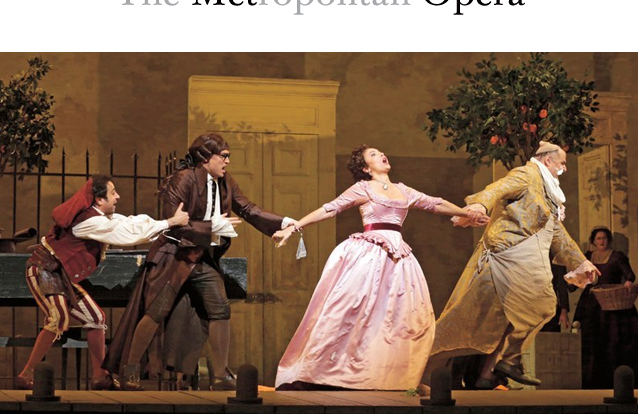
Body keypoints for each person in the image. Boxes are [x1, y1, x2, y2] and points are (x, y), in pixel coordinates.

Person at [272, 145, 489, 391]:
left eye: (381, 152)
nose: (382, 155)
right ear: (365, 168)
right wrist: (295, 226)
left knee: (401, 318)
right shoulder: (362, 188)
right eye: (373, 154)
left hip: (399, 259)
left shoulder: (403, 190)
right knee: (351, 310)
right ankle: (327, 372)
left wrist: (467, 214)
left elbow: (435, 204)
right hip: (369, 255)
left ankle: (394, 377)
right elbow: (330, 208)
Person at [103, 132, 296, 390]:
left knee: (220, 309)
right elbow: (175, 223)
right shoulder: (184, 179)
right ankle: (130, 372)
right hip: (174, 255)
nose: (227, 162)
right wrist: (212, 226)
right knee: (155, 312)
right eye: (223, 156)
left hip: (202, 258)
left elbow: (248, 209)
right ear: (206, 158)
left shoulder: (226, 182)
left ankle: (221, 375)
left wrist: (283, 222)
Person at [422, 141, 600, 390]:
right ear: (548, 160)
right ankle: (436, 369)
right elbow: (497, 188)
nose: (564, 168)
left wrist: (580, 261)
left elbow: (556, 232)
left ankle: (491, 372)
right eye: (562, 163)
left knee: (509, 319)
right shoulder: (526, 175)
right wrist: (479, 205)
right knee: (513, 312)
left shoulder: (548, 192)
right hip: (509, 254)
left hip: (529, 258)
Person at [15, 175, 189, 390]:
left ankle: (100, 376)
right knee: (58, 318)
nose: (118, 196)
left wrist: (168, 224)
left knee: (96, 318)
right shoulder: (89, 221)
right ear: (99, 199)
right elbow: (125, 234)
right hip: (43, 270)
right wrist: (170, 222)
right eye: (113, 192)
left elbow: (130, 223)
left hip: (61, 275)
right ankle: (26, 375)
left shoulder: (101, 217)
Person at [573, 227, 638, 388]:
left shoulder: (617, 256)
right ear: (593, 241)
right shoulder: (588, 257)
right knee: (592, 342)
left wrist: (628, 281)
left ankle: (614, 381)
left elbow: (629, 274)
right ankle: (591, 382)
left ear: (608, 240)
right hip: (591, 306)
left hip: (610, 307)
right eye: (598, 238)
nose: (602, 241)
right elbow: (579, 277)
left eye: (604, 238)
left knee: (612, 342)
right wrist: (569, 284)